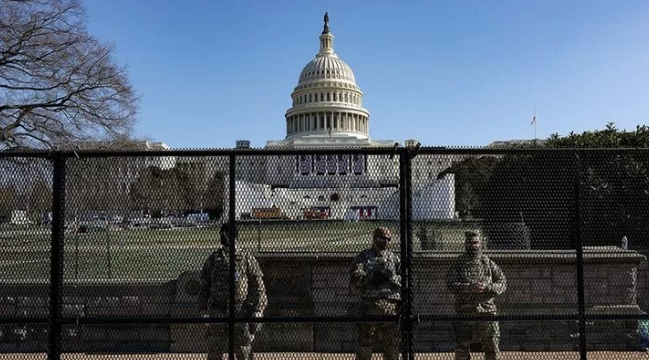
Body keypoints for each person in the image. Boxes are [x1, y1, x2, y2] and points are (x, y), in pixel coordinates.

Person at [198, 221, 267, 360]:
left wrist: (259, 309)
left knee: (243, 350)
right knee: (214, 351)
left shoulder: (246, 257)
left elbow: (259, 286)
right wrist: (203, 311)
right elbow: (204, 287)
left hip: (239, 311)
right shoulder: (214, 258)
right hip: (218, 311)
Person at [446, 230, 507, 360]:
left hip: (487, 310)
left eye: (475, 242)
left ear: (480, 244)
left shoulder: (488, 263)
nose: (472, 245)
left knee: (492, 346)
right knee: (462, 348)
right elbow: (450, 284)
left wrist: (487, 287)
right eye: (469, 243)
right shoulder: (458, 264)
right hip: (464, 310)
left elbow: (502, 282)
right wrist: (468, 287)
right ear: (465, 244)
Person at [349, 226, 401, 360]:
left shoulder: (394, 258)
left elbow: (405, 280)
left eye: (389, 239)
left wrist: (391, 277)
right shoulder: (364, 257)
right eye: (382, 238)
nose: (386, 241)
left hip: (391, 310)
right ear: (375, 239)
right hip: (369, 308)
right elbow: (355, 277)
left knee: (392, 350)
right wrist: (370, 276)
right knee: (364, 349)